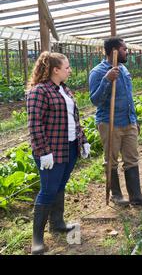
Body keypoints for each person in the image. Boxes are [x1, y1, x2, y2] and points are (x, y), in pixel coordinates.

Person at [27, 52, 90, 255]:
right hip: (51, 151)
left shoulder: (64, 89)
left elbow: (74, 120)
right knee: (47, 190)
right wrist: (43, 151)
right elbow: (35, 124)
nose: (69, 70)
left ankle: (57, 223)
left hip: (69, 147)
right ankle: (36, 240)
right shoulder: (40, 91)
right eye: (67, 67)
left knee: (59, 186)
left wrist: (84, 140)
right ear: (55, 70)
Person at [89, 37, 142, 206]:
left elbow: (129, 98)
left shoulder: (123, 69)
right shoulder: (98, 72)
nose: (126, 52)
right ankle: (116, 195)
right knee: (111, 159)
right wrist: (107, 80)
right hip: (110, 122)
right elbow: (95, 100)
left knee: (132, 158)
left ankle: (136, 196)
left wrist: (134, 119)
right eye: (124, 49)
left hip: (128, 121)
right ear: (113, 51)